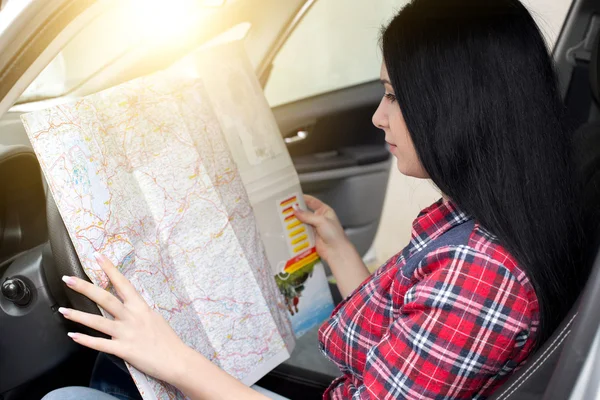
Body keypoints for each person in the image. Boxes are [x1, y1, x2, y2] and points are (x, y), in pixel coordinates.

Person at [43, 0, 588, 398]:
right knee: (117, 374)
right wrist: (341, 253)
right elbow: (401, 346)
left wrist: (174, 357)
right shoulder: (479, 225)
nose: (378, 115)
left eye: (395, 95)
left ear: (459, 105)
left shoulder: (477, 273)